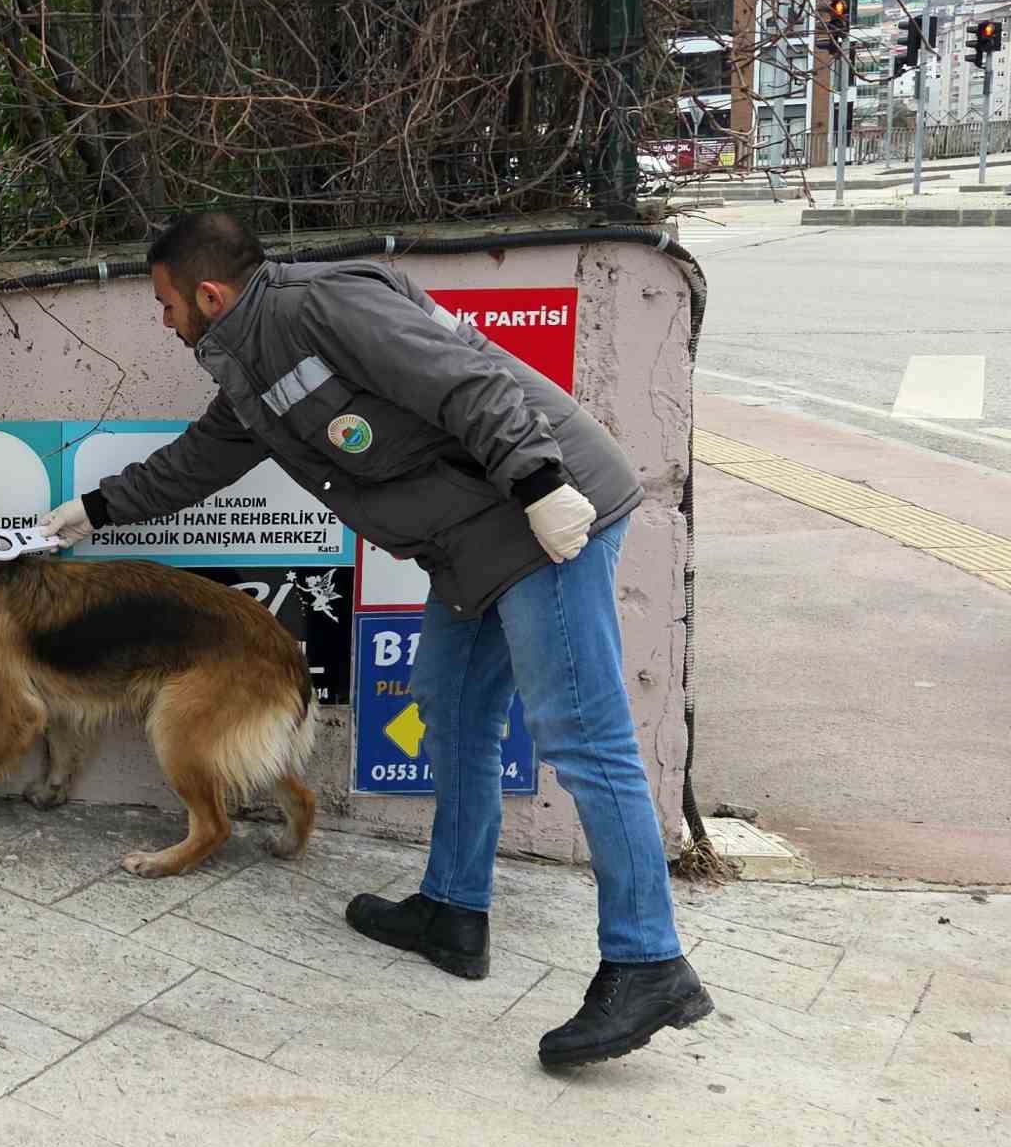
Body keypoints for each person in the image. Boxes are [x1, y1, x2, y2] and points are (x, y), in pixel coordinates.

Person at [41, 211, 712, 1068]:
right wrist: (95, 510)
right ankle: (453, 909)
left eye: (167, 304)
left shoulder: (324, 307)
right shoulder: (251, 366)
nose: (164, 322)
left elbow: (464, 380)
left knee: (584, 737)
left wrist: (541, 483)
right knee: (453, 715)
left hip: (545, 519)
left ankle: (649, 959)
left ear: (209, 294)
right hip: (471, 549)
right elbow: (200, 460)